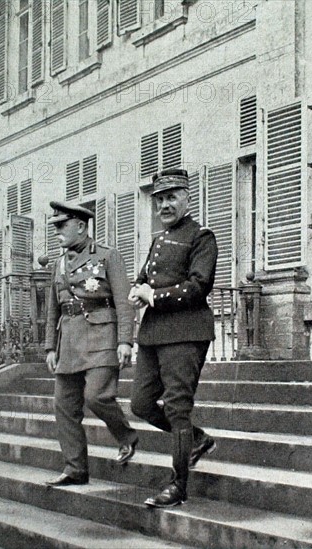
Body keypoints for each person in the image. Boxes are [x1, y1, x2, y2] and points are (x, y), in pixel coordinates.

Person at [129, 168, 218, 508]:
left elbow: (198, 286)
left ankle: (178, 486)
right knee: (141, 404)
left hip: (186, 331)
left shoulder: (201, 237)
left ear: (187, 198)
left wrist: (155, 296)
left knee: (178, 408)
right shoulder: (159, 240)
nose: (164, 205)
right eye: (160, 200)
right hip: (153, 333)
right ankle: (196, 440)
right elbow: (143, 279)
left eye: (171, 198)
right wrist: (138, 291)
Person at [44, 201, 138, 486]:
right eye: (56, 226)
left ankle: (126, 436)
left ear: (81, 226)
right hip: (69, 343)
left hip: (101, 338)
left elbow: (124, 302)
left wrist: (125, 341)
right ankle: (75, 469)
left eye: (62, 226)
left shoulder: (109, 256)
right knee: (64, 406)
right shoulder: (58, 263)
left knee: (96, 396)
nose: (57, 232)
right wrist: (50, 347)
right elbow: (52, 310)